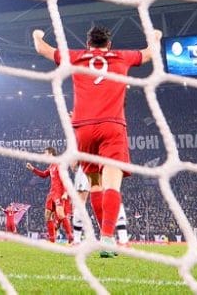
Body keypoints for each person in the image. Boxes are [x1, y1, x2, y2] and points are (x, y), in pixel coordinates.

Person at [32, 25, 161, 256]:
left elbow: (42, 49)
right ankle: (108, 238)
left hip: (83, 130)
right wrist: (156, 37)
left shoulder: (77, 56)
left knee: (95, 185)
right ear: (108, 44)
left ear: (88, 44)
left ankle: (105, 239)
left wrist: (37, 35)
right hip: (112, 126)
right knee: (112, 183)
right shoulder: (121, 56)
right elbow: (151, 52)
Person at [26, 147, 73, 243]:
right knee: (47, 215)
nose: (44, 155)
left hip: (59, 193)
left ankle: (70, 236)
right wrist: (33, 169)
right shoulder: (51, 166)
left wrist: (65, 192)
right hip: (51, 193)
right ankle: (52, 239)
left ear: (51, 153)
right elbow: (44, 175)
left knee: (60, 214)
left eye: (45, 153)